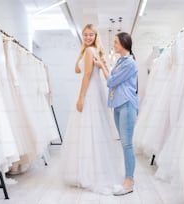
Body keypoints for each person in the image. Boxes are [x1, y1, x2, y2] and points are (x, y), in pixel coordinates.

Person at [58, 24, 122, 195]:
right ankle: (93, 170)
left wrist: (80, 97)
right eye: (85, 34)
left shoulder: (89, 52)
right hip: (96, 92)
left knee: (87, 130)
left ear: (95, 36)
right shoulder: (92, 51)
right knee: (94, 131)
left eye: (90, 35)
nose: (87, 37)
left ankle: (87, 173)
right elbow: (81, 70)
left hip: (90, 93)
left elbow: (86, 75)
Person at [94, 32, 139, 196]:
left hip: (127, 104)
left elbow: (111, 82)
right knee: (124, 144)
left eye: (115, 42)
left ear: (123, 43)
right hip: (118, 105)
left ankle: (129, 182)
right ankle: (128, 177)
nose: (113, 45)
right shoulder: (120, 61)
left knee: (127, 144)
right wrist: (104, 67)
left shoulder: (130, 63)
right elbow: (112, 80)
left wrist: (101, 66)